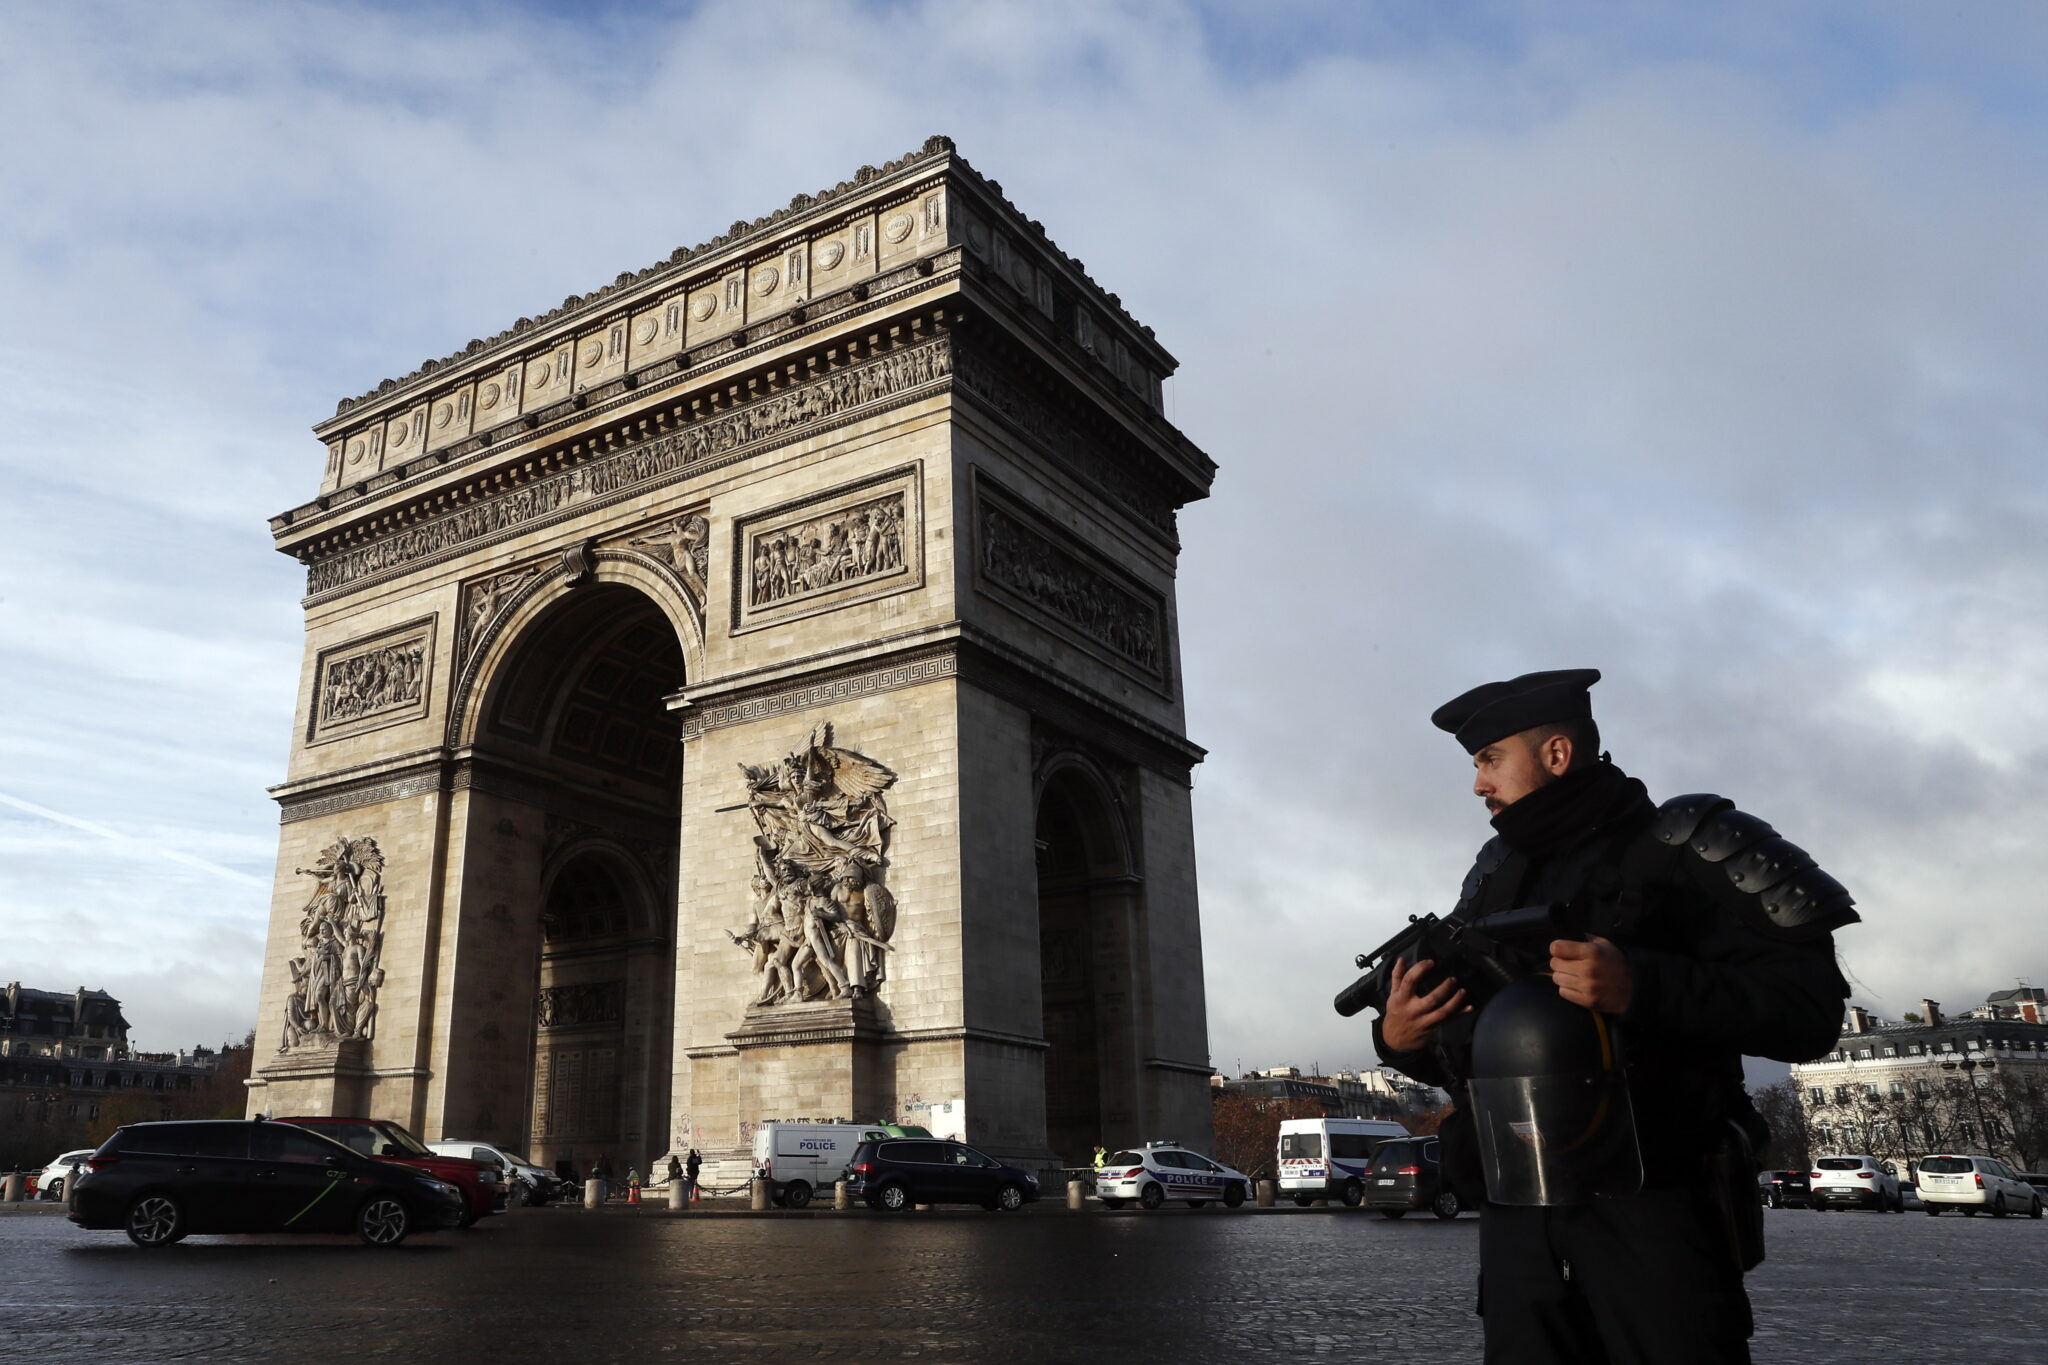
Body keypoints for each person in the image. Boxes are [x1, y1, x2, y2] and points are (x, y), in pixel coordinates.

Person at [1372, 669, 1857, 1365]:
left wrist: (1642, 986)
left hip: (1657, 1213)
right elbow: (1479, 1043)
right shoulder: (1491, 875)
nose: (1478, 784)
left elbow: (1810, 1013)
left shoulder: (1694, 845)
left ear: (1557, 753)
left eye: (1488, 760)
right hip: (1520, 1229)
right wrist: (1399, 1039)